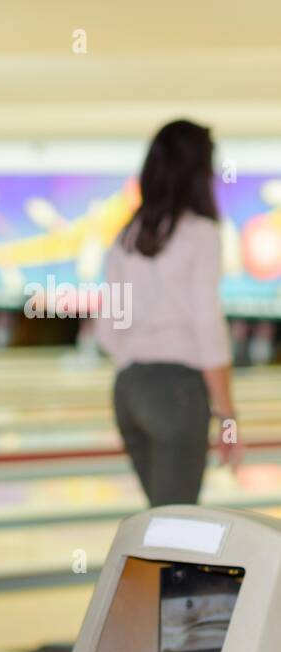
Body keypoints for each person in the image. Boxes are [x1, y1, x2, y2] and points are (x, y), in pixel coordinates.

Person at [95, 119, 241, 505]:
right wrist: (228, 416)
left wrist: (140, 367)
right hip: (177, 393)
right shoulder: (201, 234)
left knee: (162, 521)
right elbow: (208, 328)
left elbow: (109, 332)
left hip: (128, 392)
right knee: (174, 527)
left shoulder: (126, 236)